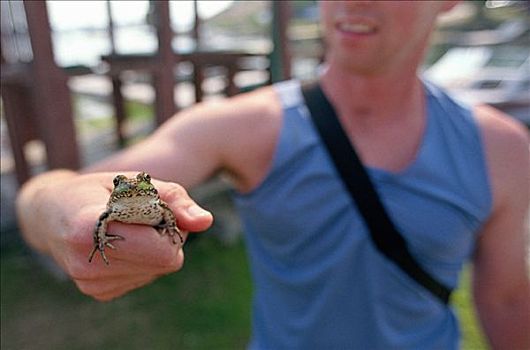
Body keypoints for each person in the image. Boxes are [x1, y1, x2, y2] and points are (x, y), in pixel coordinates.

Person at [15, 1, 529, 349]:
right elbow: (52, 192)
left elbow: (506, 298)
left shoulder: (500, 147)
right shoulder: (244, 125)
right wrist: (64, 213)